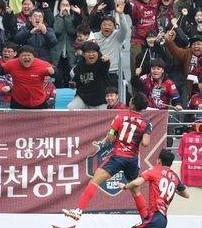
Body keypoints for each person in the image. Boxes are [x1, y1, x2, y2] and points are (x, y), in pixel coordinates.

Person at [63, 92, 151, 220]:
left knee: (94, 181)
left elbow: (110, 138)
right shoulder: (146, 124)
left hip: (118, 156)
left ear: (132, 104)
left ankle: (78, 211)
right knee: (135, 190)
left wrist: (112, 131)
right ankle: (145, 219)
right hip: (132, 160)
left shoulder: (120, 117)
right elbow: (146, 143)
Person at [68, 43, 110, 109]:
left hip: (100, 101)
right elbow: (76, 81)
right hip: (83, 99)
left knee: (105, 113)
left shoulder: (101, 63)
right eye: (88, 52)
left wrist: (107, 61)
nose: (91, 54)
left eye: (94, 52)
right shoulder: (79, 66)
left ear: (98, 53)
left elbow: (105, 65)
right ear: (83, 54)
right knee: (71, 107)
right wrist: (73, 83)